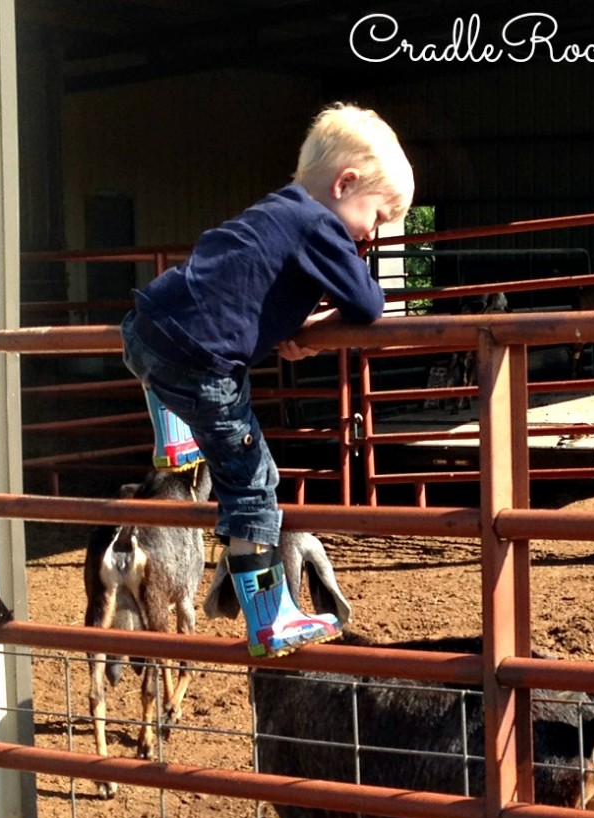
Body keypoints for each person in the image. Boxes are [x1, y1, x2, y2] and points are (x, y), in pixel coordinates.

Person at [120, 103, 414, 657]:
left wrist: (295, 323)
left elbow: (249, 292)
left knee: (175, 367)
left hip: (145, 328)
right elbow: (369, 304)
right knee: (255, 484)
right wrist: (328, 318)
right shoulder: (321, 224)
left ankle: (175, 435)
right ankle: (269, 615)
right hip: (201, 365)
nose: (370, 236)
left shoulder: (276, 210)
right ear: (345, 182)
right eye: (375, 216)